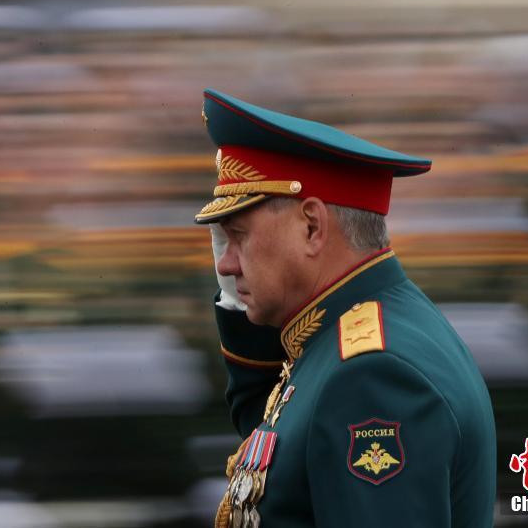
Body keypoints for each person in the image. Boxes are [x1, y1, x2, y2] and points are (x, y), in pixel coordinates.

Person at [195, 89, 496, 528]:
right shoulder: (350, 334)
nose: (224, 261)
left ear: (312, 227)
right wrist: (237, 298)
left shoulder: (371, 374)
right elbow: (270, 428)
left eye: (237, 235)